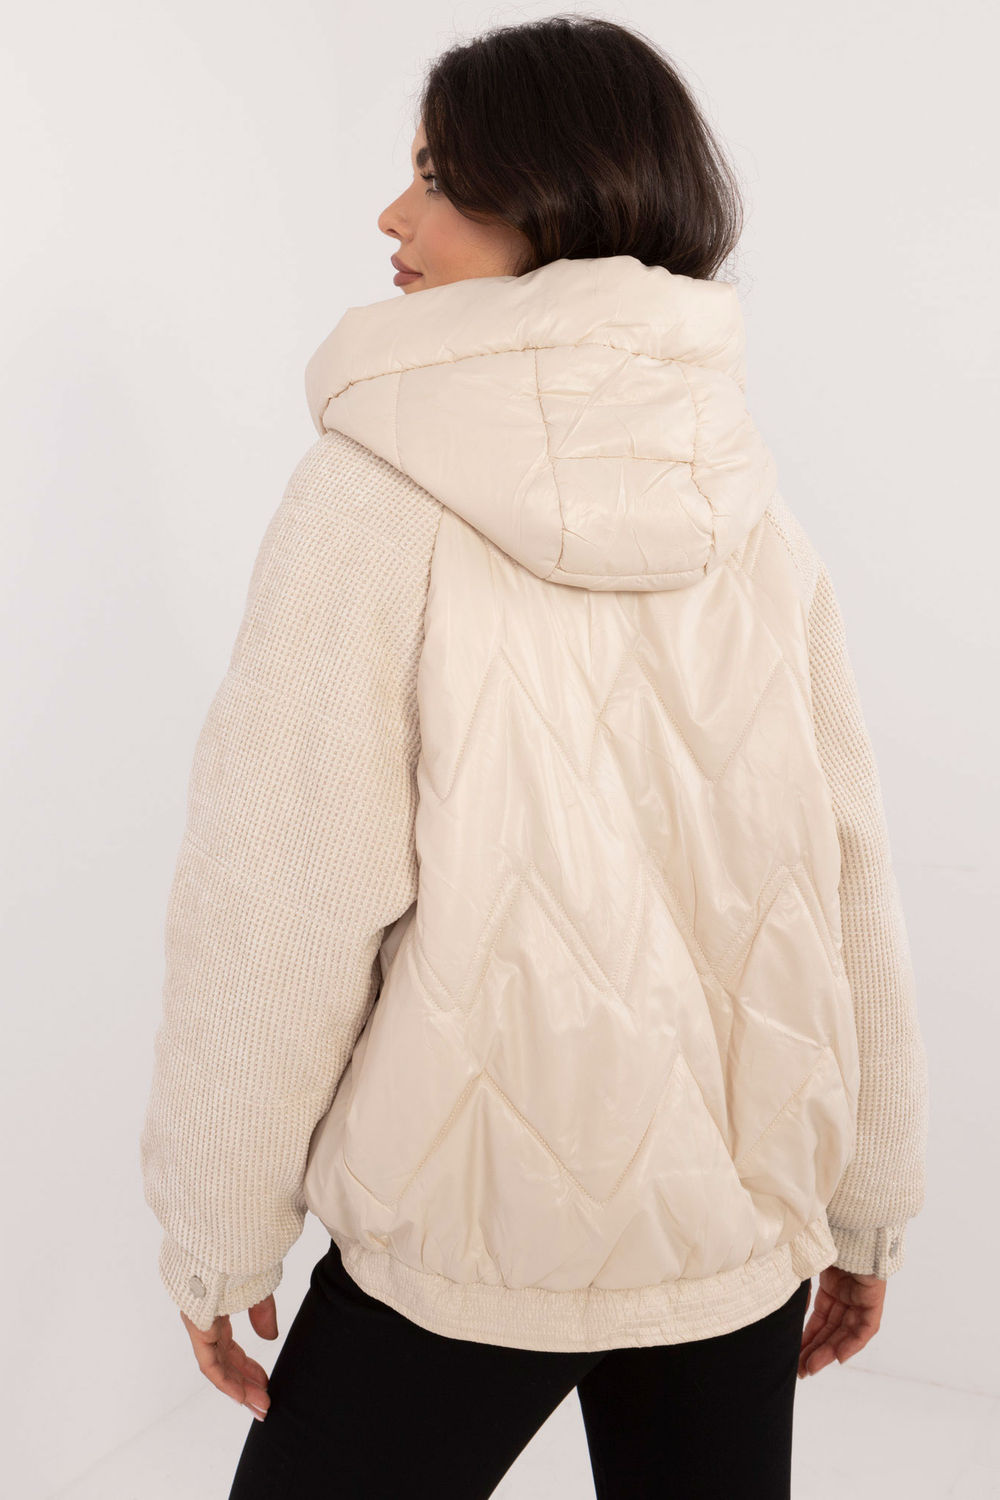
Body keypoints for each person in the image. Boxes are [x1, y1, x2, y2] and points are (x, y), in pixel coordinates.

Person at [138, 16, 928, 1498]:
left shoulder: (371, 494)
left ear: (552, 198)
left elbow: (284, 892)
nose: (392, 215)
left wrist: (219, 1228)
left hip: (466, 1230)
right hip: (731, 1228)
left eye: (439, 177)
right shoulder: (744, 499)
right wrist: (867, 1192)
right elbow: (847, 873)